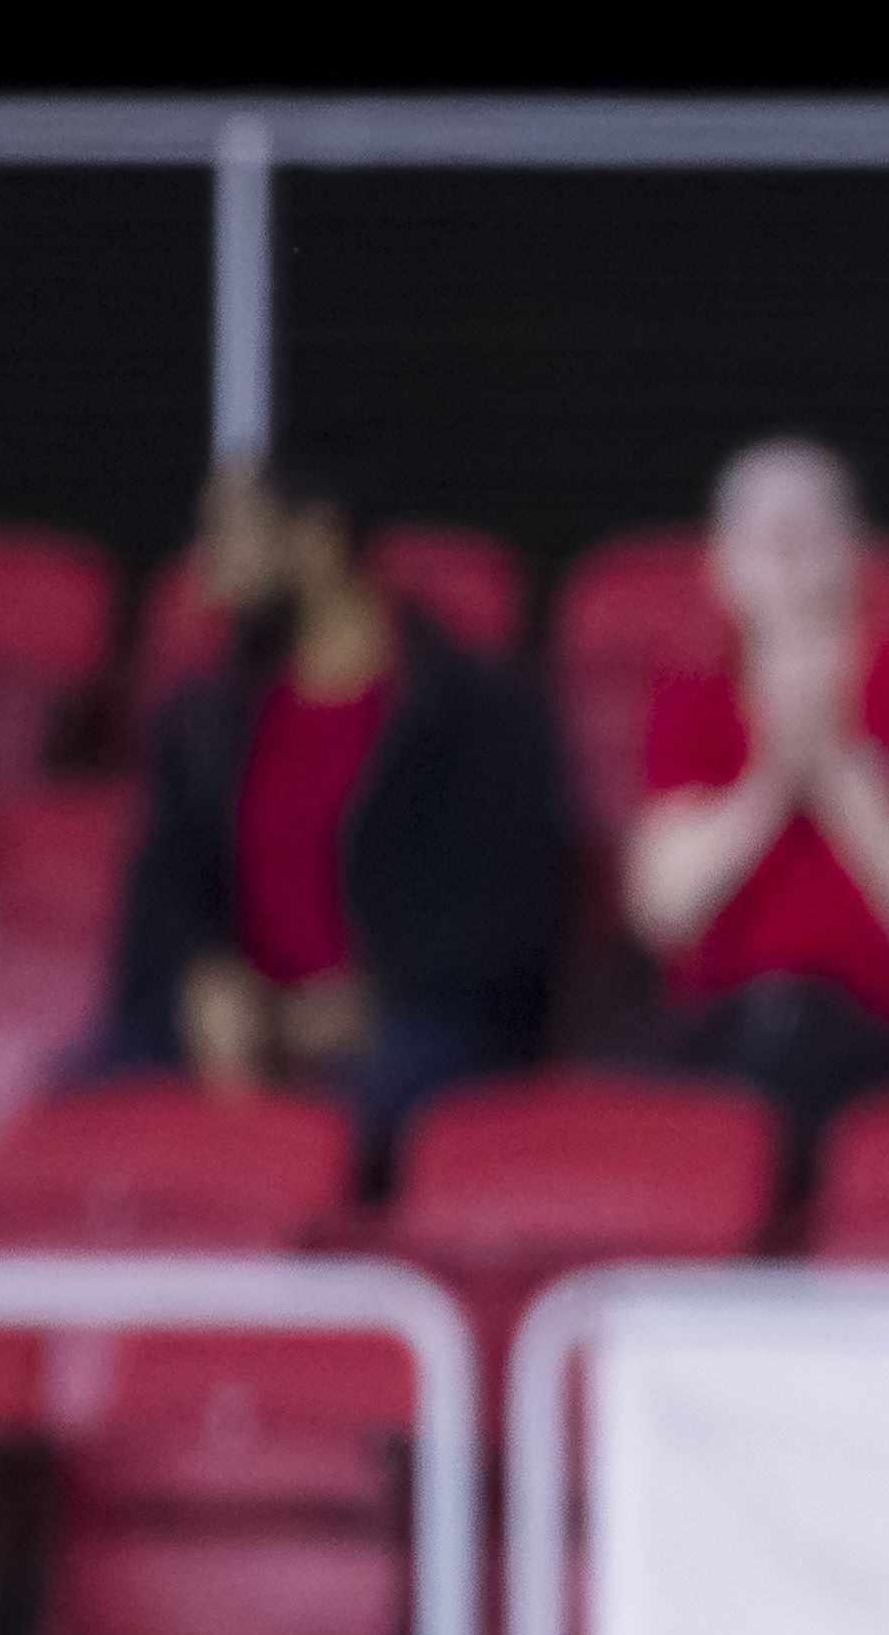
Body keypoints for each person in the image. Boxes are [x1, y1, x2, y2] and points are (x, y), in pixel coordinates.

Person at [108, 451, 567, 1148]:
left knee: (390, 1104)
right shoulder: (205, 719)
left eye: (230, 537)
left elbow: (510, 910)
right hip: (238, 1034)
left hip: (410, 1031)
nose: (204, 575)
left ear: (315, 540)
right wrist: (203, 983)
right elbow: (162, 893)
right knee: (82, 1104)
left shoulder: (474, 710)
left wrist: (364, 1003)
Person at [621, 438, 889, 1154]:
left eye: (810, 530)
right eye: (763, 534)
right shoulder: (692, 694)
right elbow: (663, 911)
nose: (787, 554)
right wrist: (768, 785)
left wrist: (834, 767)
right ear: (719, 565)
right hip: (723, 1033)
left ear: (858, 555)